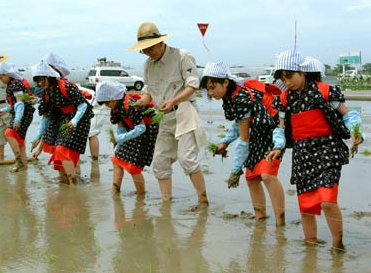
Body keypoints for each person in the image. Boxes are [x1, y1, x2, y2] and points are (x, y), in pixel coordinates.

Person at [266, 48, 364, 251]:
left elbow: (348, 114)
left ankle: (338, 245)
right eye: (282, 78)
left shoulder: (324, 91)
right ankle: (310, 247)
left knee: (327, 200)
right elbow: (280, 128)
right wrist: (277, 147)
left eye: (290, 76)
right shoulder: (285, 99)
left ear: (302, 72)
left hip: (328, 149)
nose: (287, 82)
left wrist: (355, 130)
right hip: (302, 153)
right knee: (307, 205)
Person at [128, 22, 208, 208]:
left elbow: (193, 86)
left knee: (187, 159)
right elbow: (149, 91)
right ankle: (166, 203)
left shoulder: (182, 57)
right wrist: (142, 101)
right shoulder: (148, 65)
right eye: (144, 50)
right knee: (160, 162)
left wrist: (173, 101)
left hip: (185, 112)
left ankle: (203, 201)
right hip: (164, 118)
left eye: (150, 48)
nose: (148, 53)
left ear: (160, 42)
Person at [199, 62, 285, 226]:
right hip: (259, 131)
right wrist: (225, 142)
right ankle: (261, 218)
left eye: (212, 87)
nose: (211, 93)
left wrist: (235, 170)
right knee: (252, 177)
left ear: (225, 81)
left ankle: (280, 223)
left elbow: (244, 139)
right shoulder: (230, 96)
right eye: (208, 90)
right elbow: (240, 123)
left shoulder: (240, 97)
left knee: (267, 175)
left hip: (274, 131)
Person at [31, 61, 93, 185]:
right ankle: (65, 181)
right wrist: (38, 137)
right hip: (64, 118)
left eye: (41, 80)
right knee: (58, 150)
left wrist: (74, 121)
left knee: (62, 149)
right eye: (37, 81)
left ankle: (72, 182)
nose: (39, 83)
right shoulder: (47, 92)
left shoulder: (66, 86)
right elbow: (46, 117)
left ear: (48, 77)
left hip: (80, 119)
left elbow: (82, 105)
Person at [95, 81, 159, 196]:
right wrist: (119, 143)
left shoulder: (131, 105)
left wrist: (119, 138)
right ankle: (115, 191)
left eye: (107, 103)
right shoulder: (115, 109)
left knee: (133, 166)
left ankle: (141, 195)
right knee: (117, 160)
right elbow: (121, 127)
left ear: (113, 98)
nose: (106, 106)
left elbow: (141, 128)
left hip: (146, 132)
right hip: (132, 131)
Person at [0, 62, 36, 172]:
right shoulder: (11, 84)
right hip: (21, 113)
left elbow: (20, 104)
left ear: (7, 74)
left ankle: (18, 160)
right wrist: (4, 110)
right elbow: (13, 104)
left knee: (8, 133)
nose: (1, 80)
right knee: (20, 142)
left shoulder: (16, 84)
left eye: (1, 77)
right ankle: (23, 170)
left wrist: (17, 120)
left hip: (23, 114)